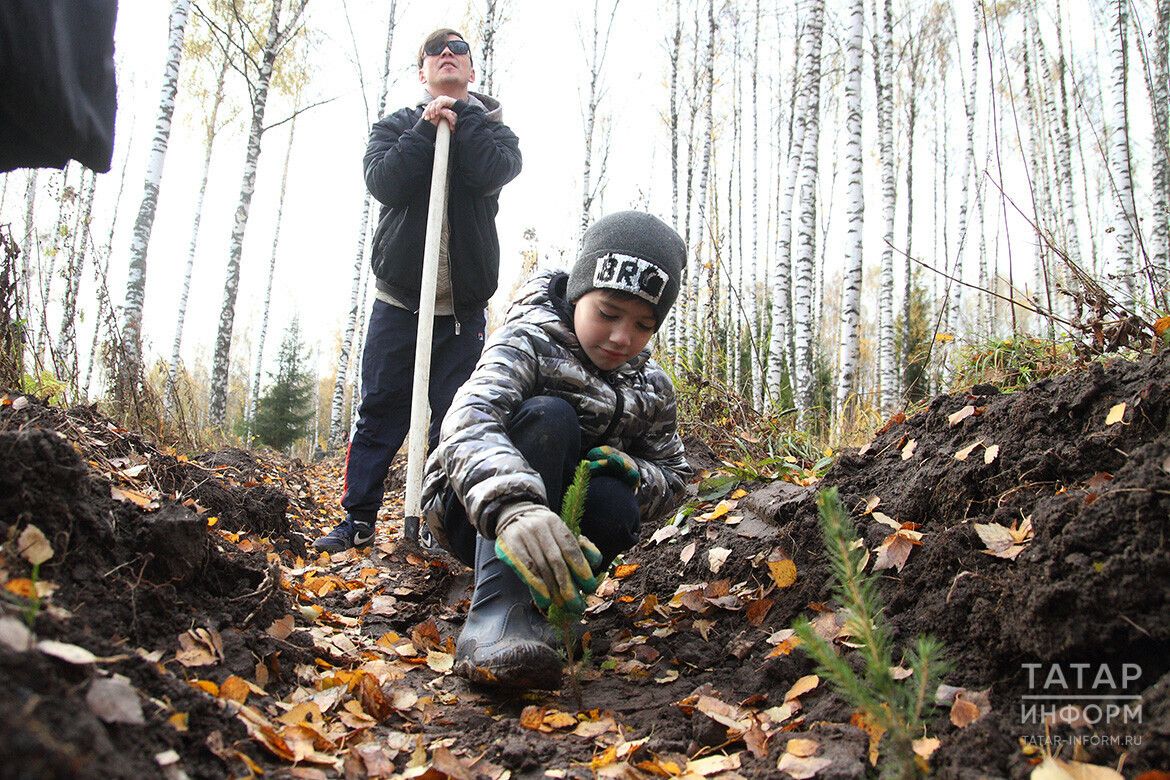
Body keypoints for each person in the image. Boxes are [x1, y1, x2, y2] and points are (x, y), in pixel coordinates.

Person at [420, 211, 694, 690]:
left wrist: (635, 472)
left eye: (644, 325)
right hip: (473, 512)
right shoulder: (527, 340)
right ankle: (497, 616)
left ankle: (552, 610)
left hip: (564, 531)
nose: (621, 338)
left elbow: (674, 477)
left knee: (613, 494)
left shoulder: (653, 387)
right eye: (607, 313)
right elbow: (466, 418)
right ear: (577, 293)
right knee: (550, 416)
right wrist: (514, 507)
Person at [315, 28, 522, 552]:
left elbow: (493, 169)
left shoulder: (495, 133)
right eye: (435, 51)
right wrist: (427, 129)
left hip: (461, 309)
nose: (446, 54)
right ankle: (358, 518)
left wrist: (464, 116)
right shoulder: (395, 127)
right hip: (399, 301)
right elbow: (384, 182)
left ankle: (437, 524)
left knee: (452, 417)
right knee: (381, 408)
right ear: (422, 71)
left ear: (472, 71)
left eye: (458, 50)